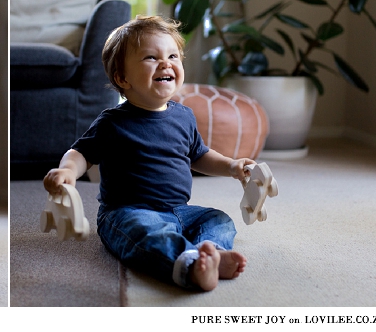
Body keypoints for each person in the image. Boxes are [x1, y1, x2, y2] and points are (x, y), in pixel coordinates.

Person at [43, 16, 251, 291]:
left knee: (218, 220)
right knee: (145, 235)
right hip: (128, 212)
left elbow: (199, 155)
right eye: (151, 58)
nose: (166, 63)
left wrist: (232, 166)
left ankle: (208, 251)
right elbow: (80, 152)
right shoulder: (112, 122)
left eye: (173, 56)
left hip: (179, 210)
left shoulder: (184, 117)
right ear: (122, 78)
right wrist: (68, 170)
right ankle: (188, 265)